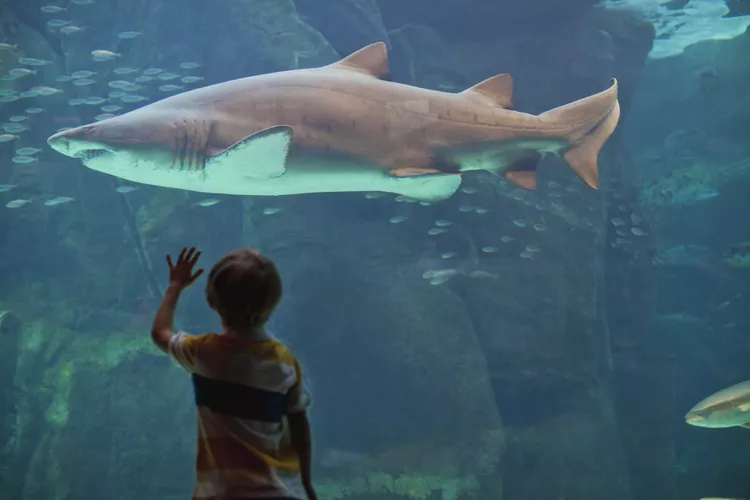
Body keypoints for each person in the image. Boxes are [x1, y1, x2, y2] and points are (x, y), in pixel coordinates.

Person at [150, 246, 317, 500]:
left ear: (210, 299)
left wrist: (175, 286)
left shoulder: (204, 352)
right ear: (274, 303)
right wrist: (305, 482)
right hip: (280, 493)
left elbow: (160, 333)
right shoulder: (284, 363)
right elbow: (300, 428)